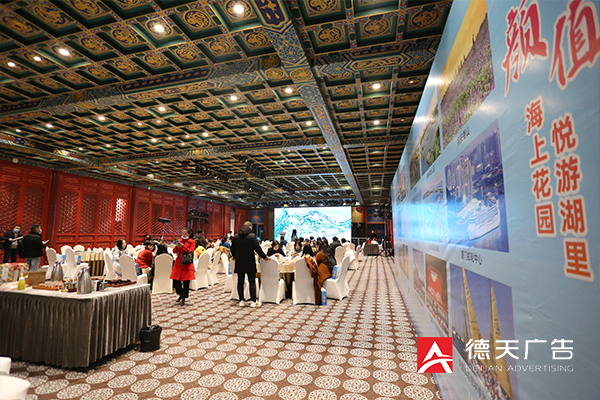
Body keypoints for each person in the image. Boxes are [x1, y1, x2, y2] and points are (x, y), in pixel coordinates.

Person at [230, 221, 269, 308]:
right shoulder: (252, 236)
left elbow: (232, 249)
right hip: (249, 261)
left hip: (239, 262)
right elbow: (257, 249)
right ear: (250, 228)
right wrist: (264, 257)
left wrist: (235, 256)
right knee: (252, 281)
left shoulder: (236, 237)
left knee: (240, 281)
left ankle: (241, 300)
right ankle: (253, 301)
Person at [171, 227, 196, 306]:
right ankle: (181, 294)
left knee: (186, 282)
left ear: (189, 234)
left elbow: (190, 251)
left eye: (185, 234)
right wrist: (177, 246)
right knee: (176, 281)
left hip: (186, 263)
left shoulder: (192, 242)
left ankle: (184, 298)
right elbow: (174, 251)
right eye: (182, 233)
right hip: (178, 263)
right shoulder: (180, 241)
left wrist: (183, 246)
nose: (183, 235)